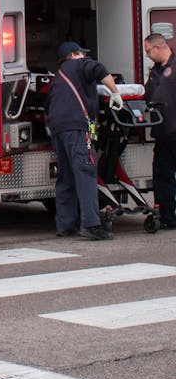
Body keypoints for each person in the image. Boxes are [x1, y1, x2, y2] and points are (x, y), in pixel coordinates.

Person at [46, 41, 123, 240]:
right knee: (86, 172)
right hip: (78, 128)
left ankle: (65, 225)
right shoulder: (80, 65)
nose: (84, 56)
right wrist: (115, 92)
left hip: (58, 129)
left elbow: (49, 105)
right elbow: (98, 68)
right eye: (82, 53)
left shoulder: (58, 77)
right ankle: (90, 224)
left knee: (66, 175)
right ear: (74, 54)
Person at [144, 33, 176, 229]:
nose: (147, 55)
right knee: (162, 174)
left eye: (148, 51)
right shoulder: (155, 72)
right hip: (163, 133)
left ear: (158, 47)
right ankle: (168, 217)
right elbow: (148, 94)